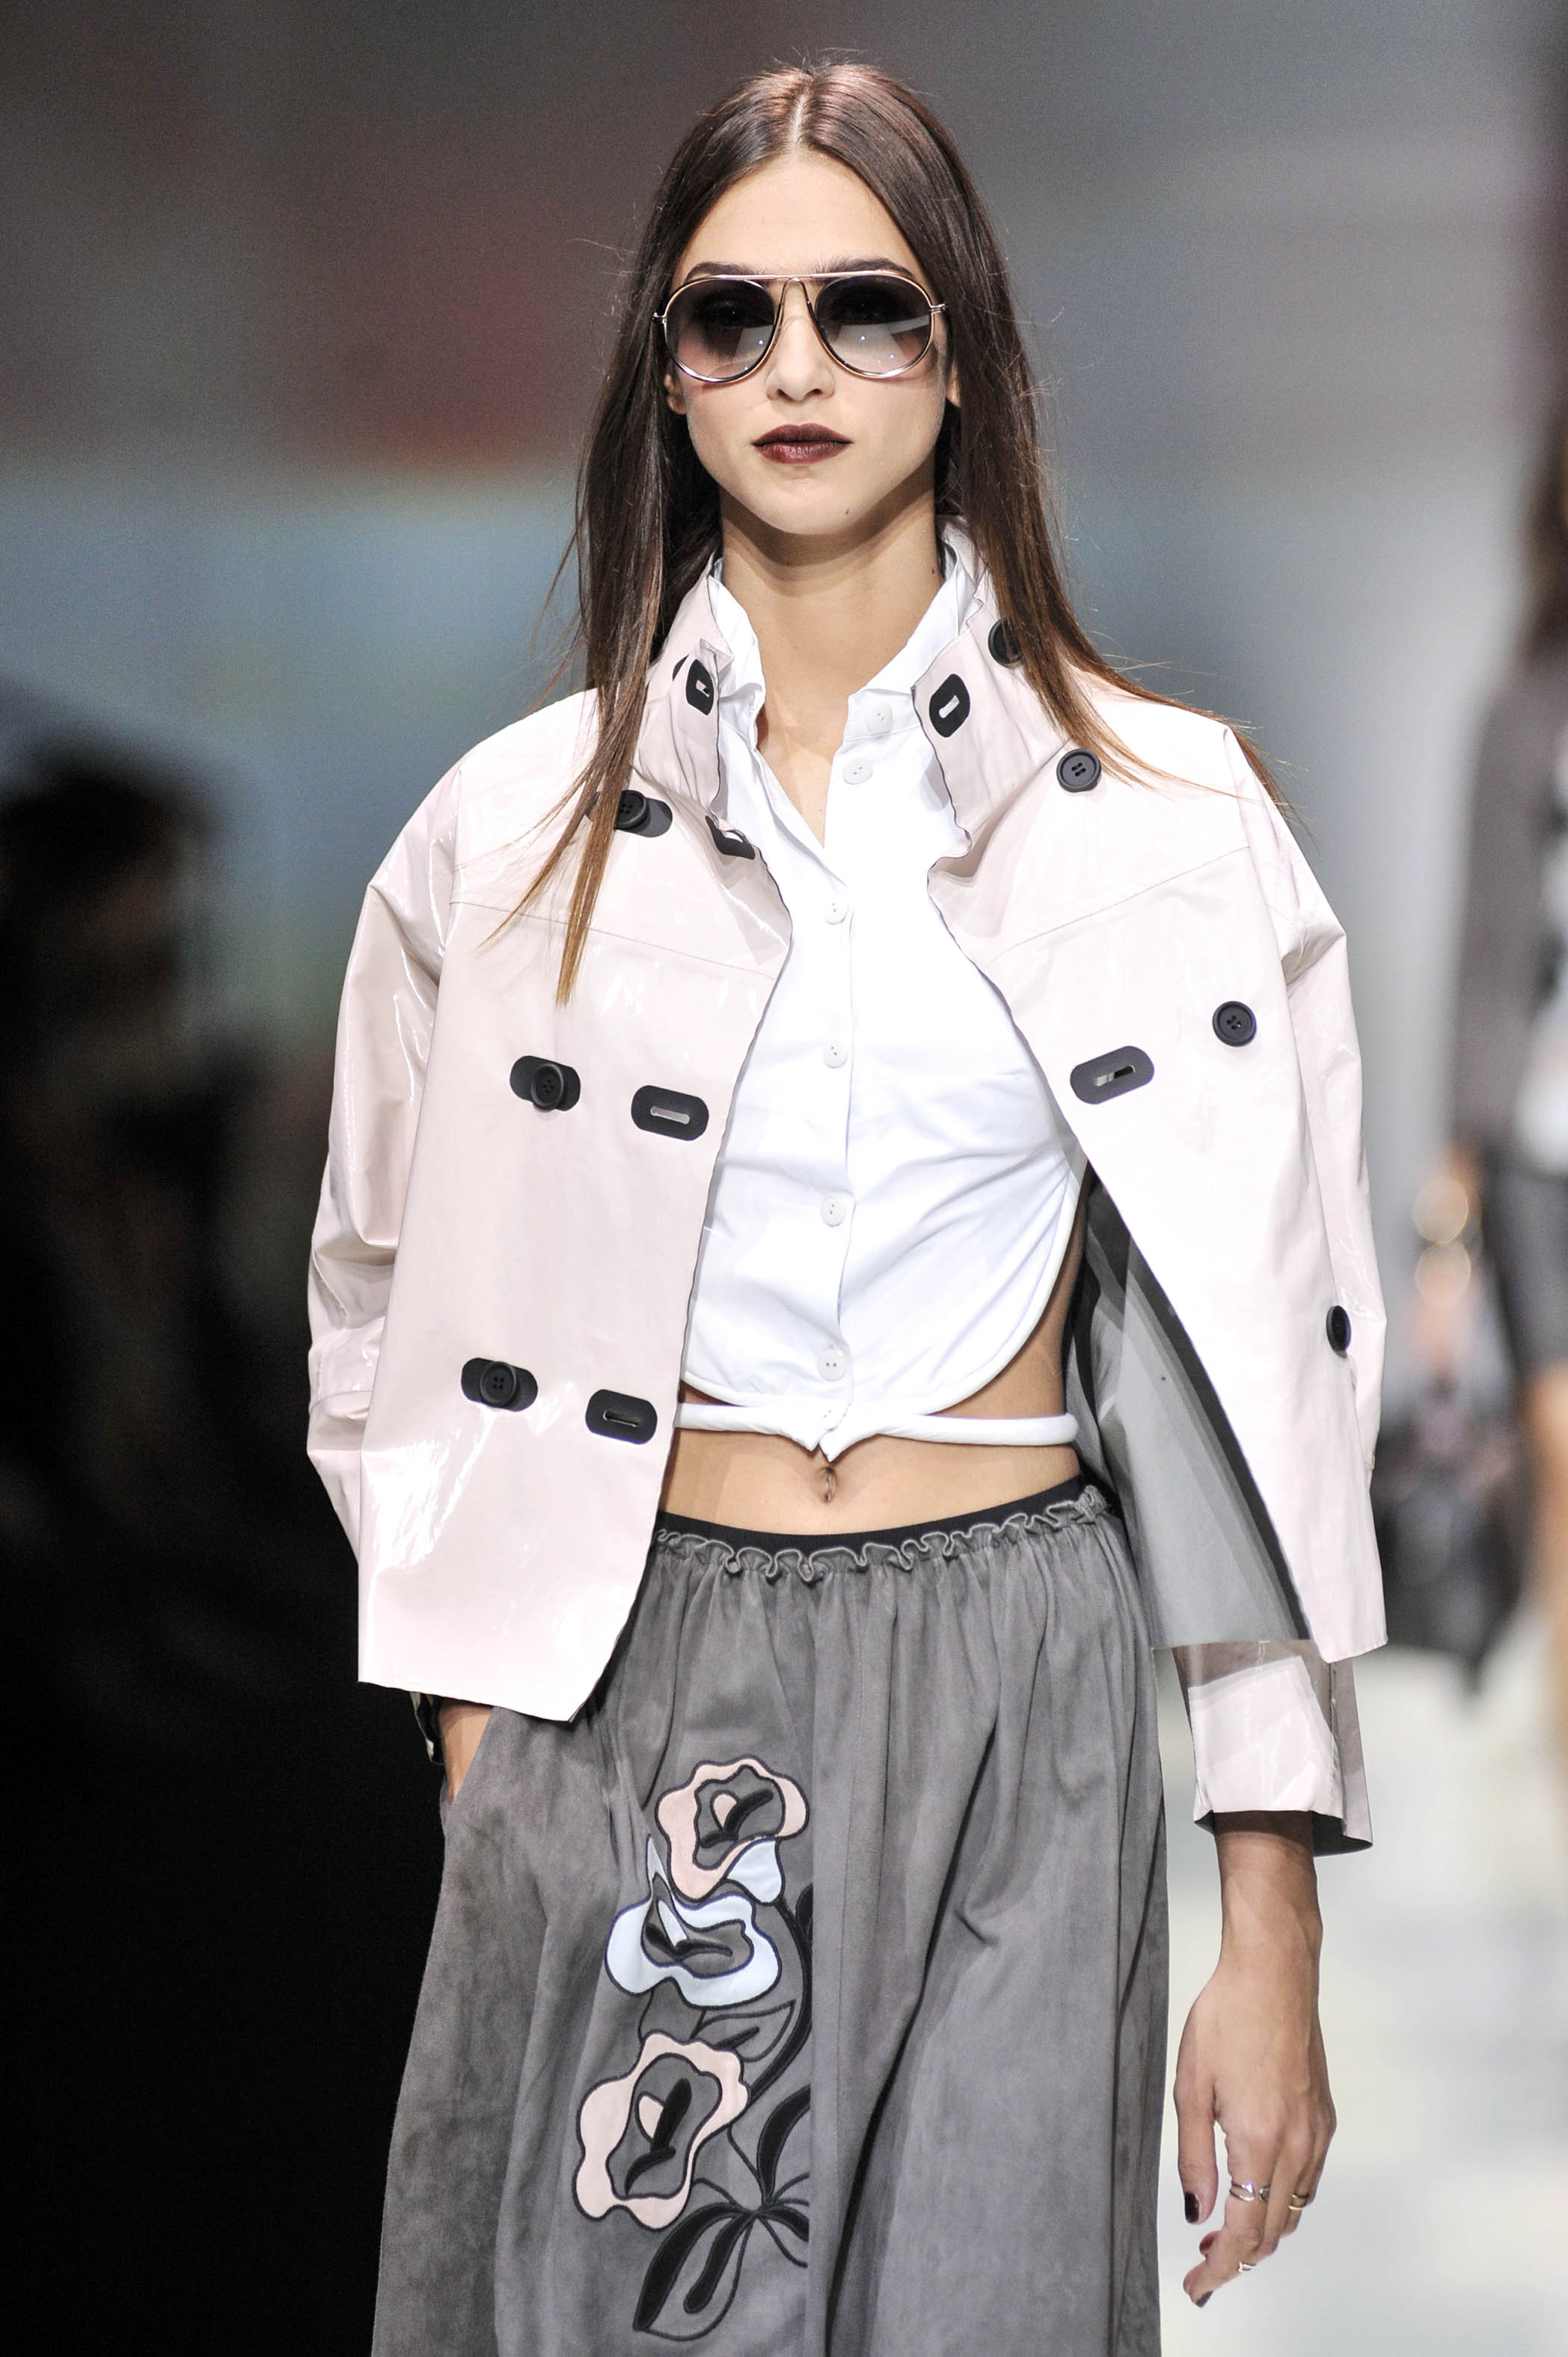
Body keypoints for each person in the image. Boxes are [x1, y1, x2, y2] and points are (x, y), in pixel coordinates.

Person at [307, 62, 1384, 2357]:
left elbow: (1267, 1383)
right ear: (668, 373)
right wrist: (484, 1730)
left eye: (865, 306)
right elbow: (376, 1293)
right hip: (647, 1667)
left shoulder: (1175, 825)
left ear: (960, 347)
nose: (797, 363)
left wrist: (1272, 1914)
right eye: (733, 315)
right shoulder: (505, 839)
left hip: (1025, 1667)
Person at [1448, 397, 1568, 1752]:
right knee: (1558, 1440)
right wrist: (1457, 1168)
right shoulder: (1525, 709)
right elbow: (1488, 942)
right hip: (1542, 1138)